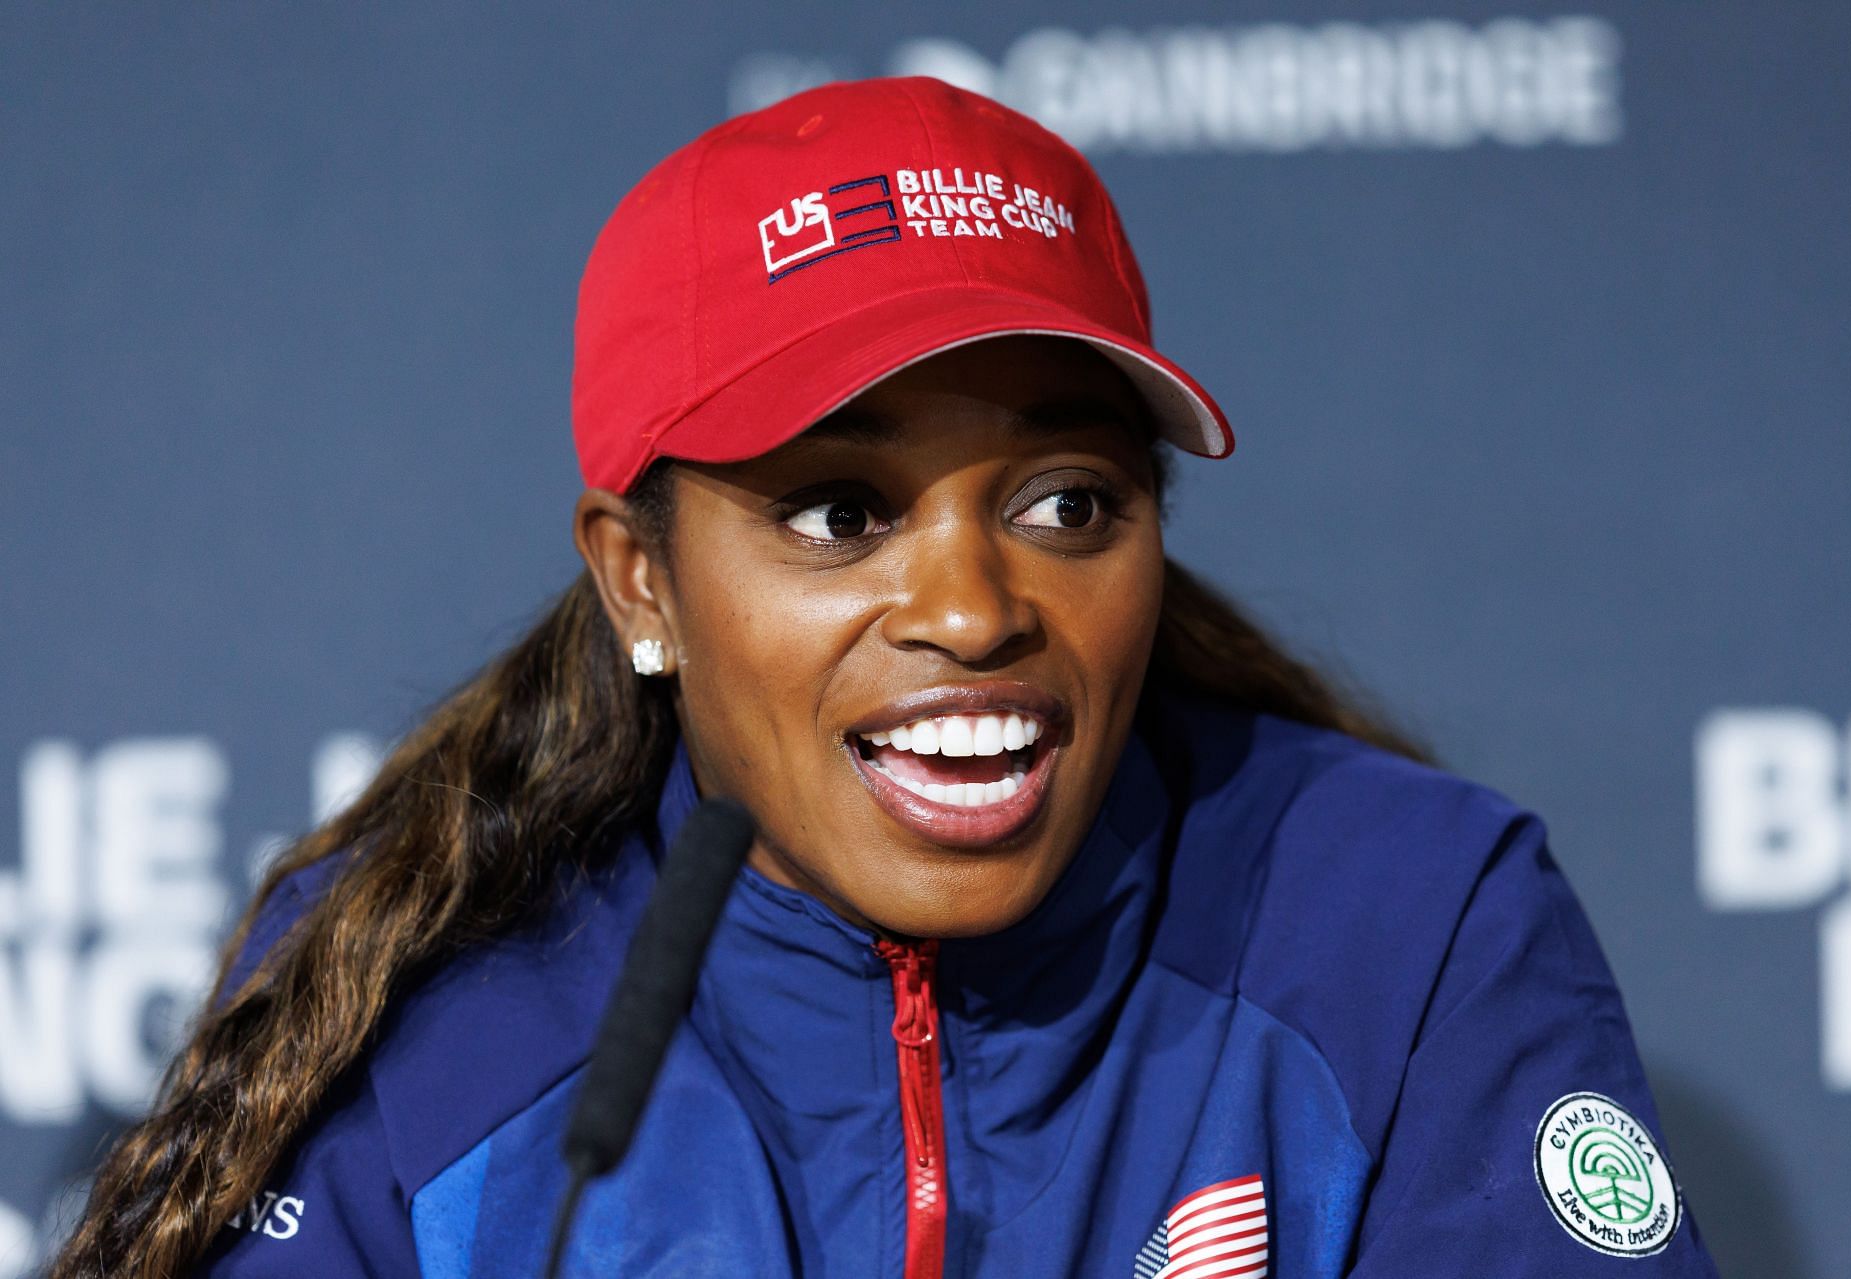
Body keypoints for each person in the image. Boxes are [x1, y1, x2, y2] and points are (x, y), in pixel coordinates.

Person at [53, 76, 1718, 1279]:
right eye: (838, 514)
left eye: (1068, 503)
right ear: (645, 580)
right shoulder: (434, 1000)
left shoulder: (1403, 921)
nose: (978, 607)